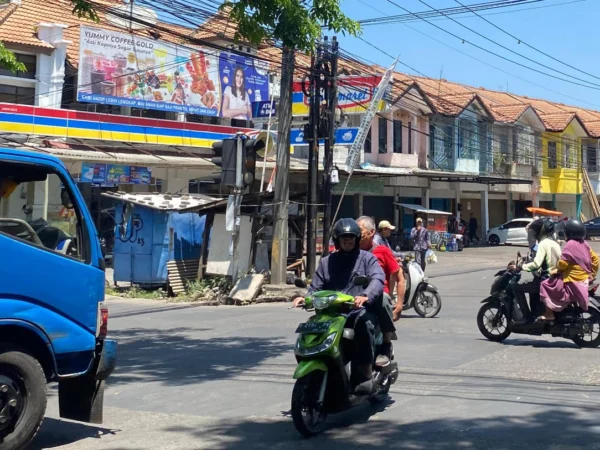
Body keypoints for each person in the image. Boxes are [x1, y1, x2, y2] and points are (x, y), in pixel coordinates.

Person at [292, 218, 385, 395]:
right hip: (330, 314)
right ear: (337, 240)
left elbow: (377, 279)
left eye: (351, 237)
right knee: (311, 329)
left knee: (364, 324)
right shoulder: (327, 262)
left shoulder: (367, 259)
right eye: (344, 237)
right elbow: (315, 287)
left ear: (357, 239)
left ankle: (363, 375)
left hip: (356, 312)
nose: (347, 240)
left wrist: (365, 296)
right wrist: (305, 298)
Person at [357, 216, 405, 356]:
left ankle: (386, 343)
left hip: (378, 297)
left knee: (383, 297)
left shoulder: (382, 250)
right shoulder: (349, 252)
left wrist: (399, 305)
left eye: (359, 230)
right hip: (355, 295)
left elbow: (400, 278)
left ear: (371, 232)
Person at [539, 220, 599, 321]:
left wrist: (557, 268)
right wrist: (591, 274)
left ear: (569, 233)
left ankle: (549, 314)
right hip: (584, 279)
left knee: (545, 284)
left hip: (572, 280)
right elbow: (596, 260)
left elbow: (563, 264)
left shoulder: (570, 244)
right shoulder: (584, 243)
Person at [511, 218, 562, 319]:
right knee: (530, 285)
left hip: (547, 278)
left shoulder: (543, 244)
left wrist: (521, 267)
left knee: (517, 287)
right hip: (556, 277)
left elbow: (536, 264)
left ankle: (528, 318)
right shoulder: (554, 243)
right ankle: (537, 312)